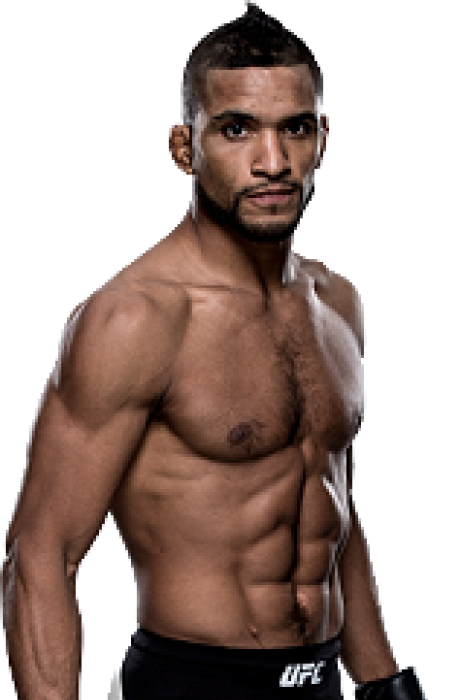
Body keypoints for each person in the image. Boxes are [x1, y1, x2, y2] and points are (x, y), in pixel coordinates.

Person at [2, 4, 426, 700]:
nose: (272, 162)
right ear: (184, 148)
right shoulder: (137, 319)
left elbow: (330, 508)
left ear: (323, 138)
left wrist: (384, 683)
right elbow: (40, 555)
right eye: (237, 129)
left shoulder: (337, 304)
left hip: (322, 681)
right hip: (191, 683)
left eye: (294, 128)